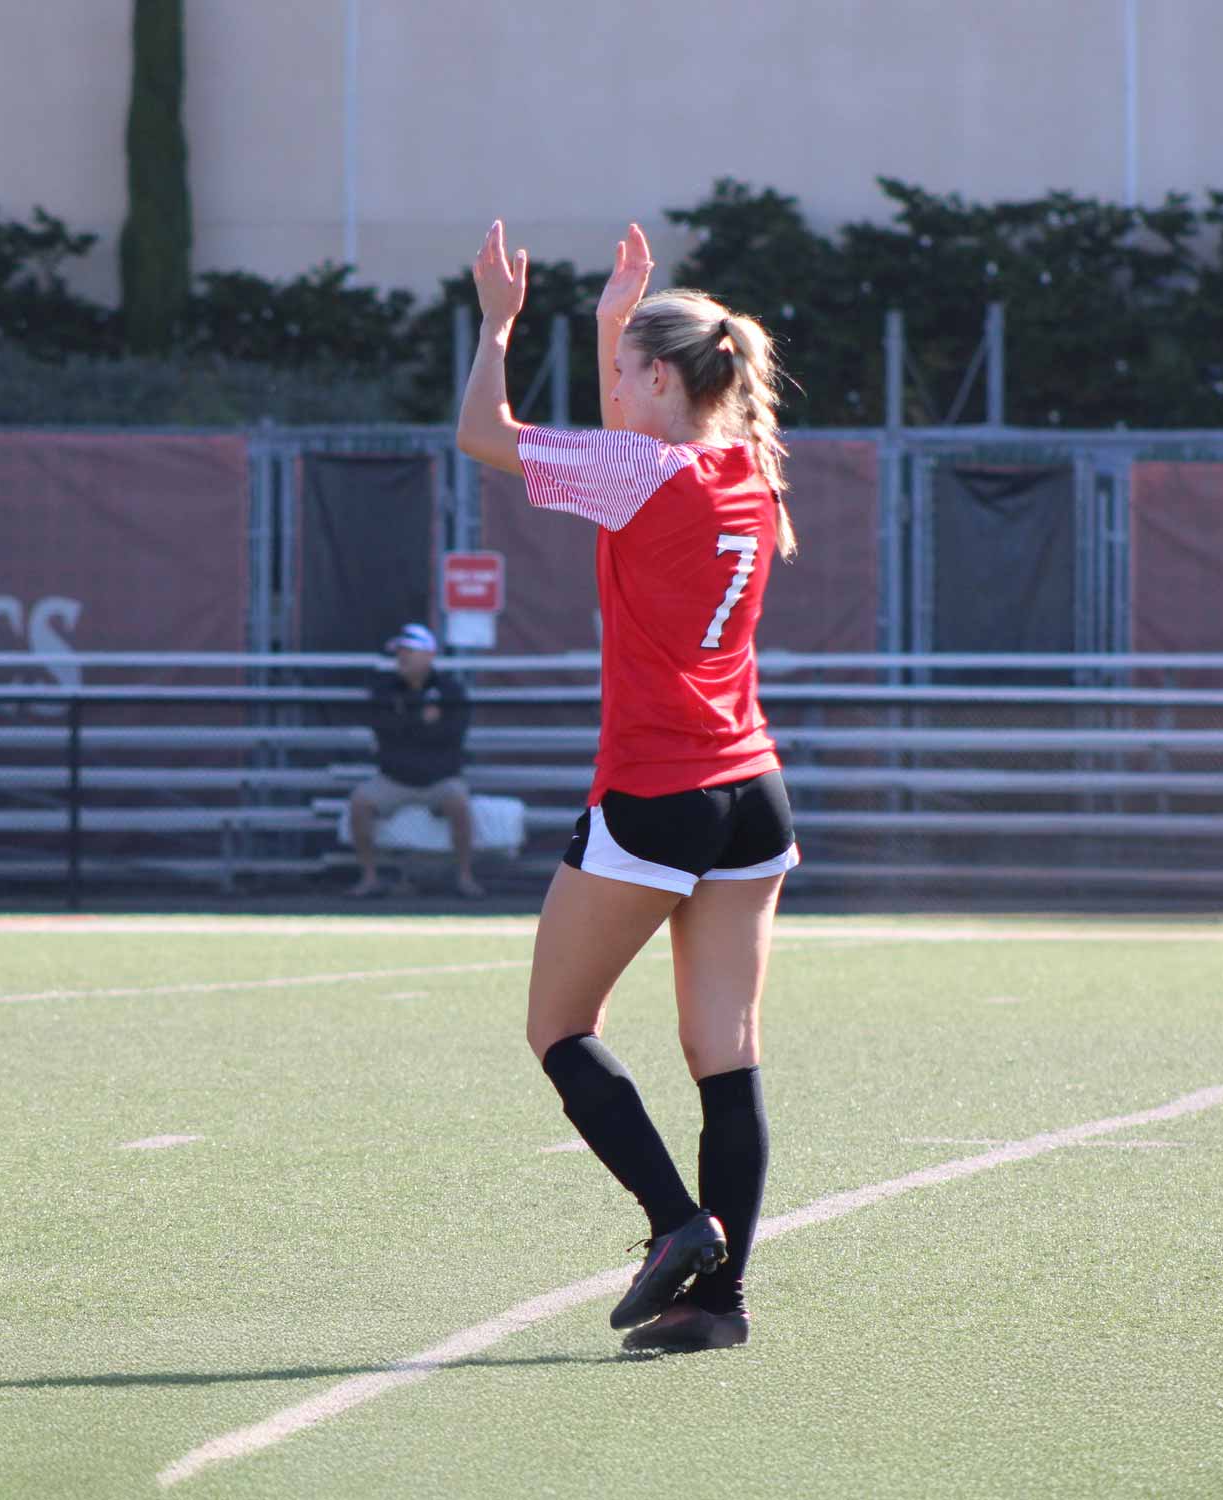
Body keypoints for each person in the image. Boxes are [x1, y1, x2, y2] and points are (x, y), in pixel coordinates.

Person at [456, 220, 799, 1353]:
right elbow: (631, 432)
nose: (613, 387)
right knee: (727, 1054)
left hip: (658, 792)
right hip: (752, 791)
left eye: (623, 369)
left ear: (659, 379)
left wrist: (499, 327)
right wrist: (617, 319)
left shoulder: (639, 472)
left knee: (560, 1025)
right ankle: (719, 1305)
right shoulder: (749, 467)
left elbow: (483, 434)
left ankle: (674, 1222)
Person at [349, 622, 485, 900]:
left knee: (460, 803)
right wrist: (421, 721)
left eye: (409, 650)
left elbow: (452, 734)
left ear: (428, 655)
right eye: (399, 651)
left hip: (439, 779)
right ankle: (369, 878)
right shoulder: (384, 689)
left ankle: (465, 877)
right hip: (394, 778)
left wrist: (408, 722)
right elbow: (384, 729)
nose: (402, 657)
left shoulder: (450, 690)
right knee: (360, 802)